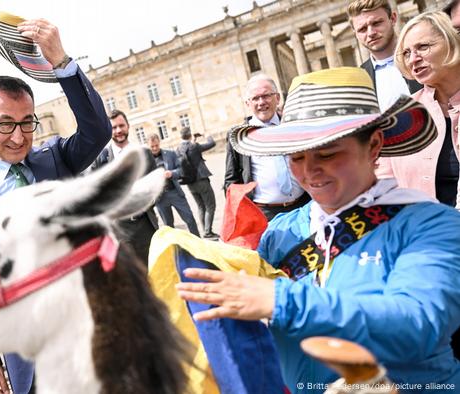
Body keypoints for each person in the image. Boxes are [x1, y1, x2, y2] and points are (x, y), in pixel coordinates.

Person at [177, 67, 460, 391]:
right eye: (295, 156)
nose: (310, 171)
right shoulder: (280, 233)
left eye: (327, 153)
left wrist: (279, 300)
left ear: (374, 145)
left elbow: (416, 325)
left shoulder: (432, 226)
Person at [0, 18, 111, 394]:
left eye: (27, 123)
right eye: (5, 124)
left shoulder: (56, 160)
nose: (19, 137)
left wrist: (62, 63)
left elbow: (97, 131)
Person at [379, 11, 460, 209]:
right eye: (406, 53)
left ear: (452, 43)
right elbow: (382, 183)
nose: (413, 59)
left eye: (423, 47)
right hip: (426, 232)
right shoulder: (400, 116)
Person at [224, 74, 309, 220]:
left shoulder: (295, 125)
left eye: (266, 96)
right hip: (266, 215)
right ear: (248, 104)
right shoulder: (239, 136)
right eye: (255, 98)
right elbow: (231, 181)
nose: (261, 102)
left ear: (277, 98)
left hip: (305, 205)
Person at [91, 109, 159, 261]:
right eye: (114, 127)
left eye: (121, 126)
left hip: (145, 226)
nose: (118, 130)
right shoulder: (100, 159)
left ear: (128, 126)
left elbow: (156, 187)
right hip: (118, 230)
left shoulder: (144, 153)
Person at [348, 0, 422, 110]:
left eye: (376, 23)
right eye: (362, 29)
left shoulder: (422, 56)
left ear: (393, 18)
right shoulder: (358, 81)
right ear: (355, 33)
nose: (371, 33)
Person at [147, 133, 200, 236]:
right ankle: (174, 249)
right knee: (168, 227)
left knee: (190, 219)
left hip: (175, 192)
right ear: (148, 145)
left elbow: (181, 170)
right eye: (152, 146)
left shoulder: (170, 154)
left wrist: (172, 173)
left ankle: (198, 242)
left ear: (159, 143)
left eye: (156, 145)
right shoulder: (145, 160)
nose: (155, 148)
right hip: (160, 198)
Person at [176, 127, 218, 239]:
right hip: (201, 180)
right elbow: (212, 143)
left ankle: (205, 230)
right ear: (190, 135)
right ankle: (208, 231)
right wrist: (206, 134)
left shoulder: (178, 148)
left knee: (200, 206)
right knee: (210, 205)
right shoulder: (194, 146)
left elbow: (189, 154)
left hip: (190, 182)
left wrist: (193, 140)